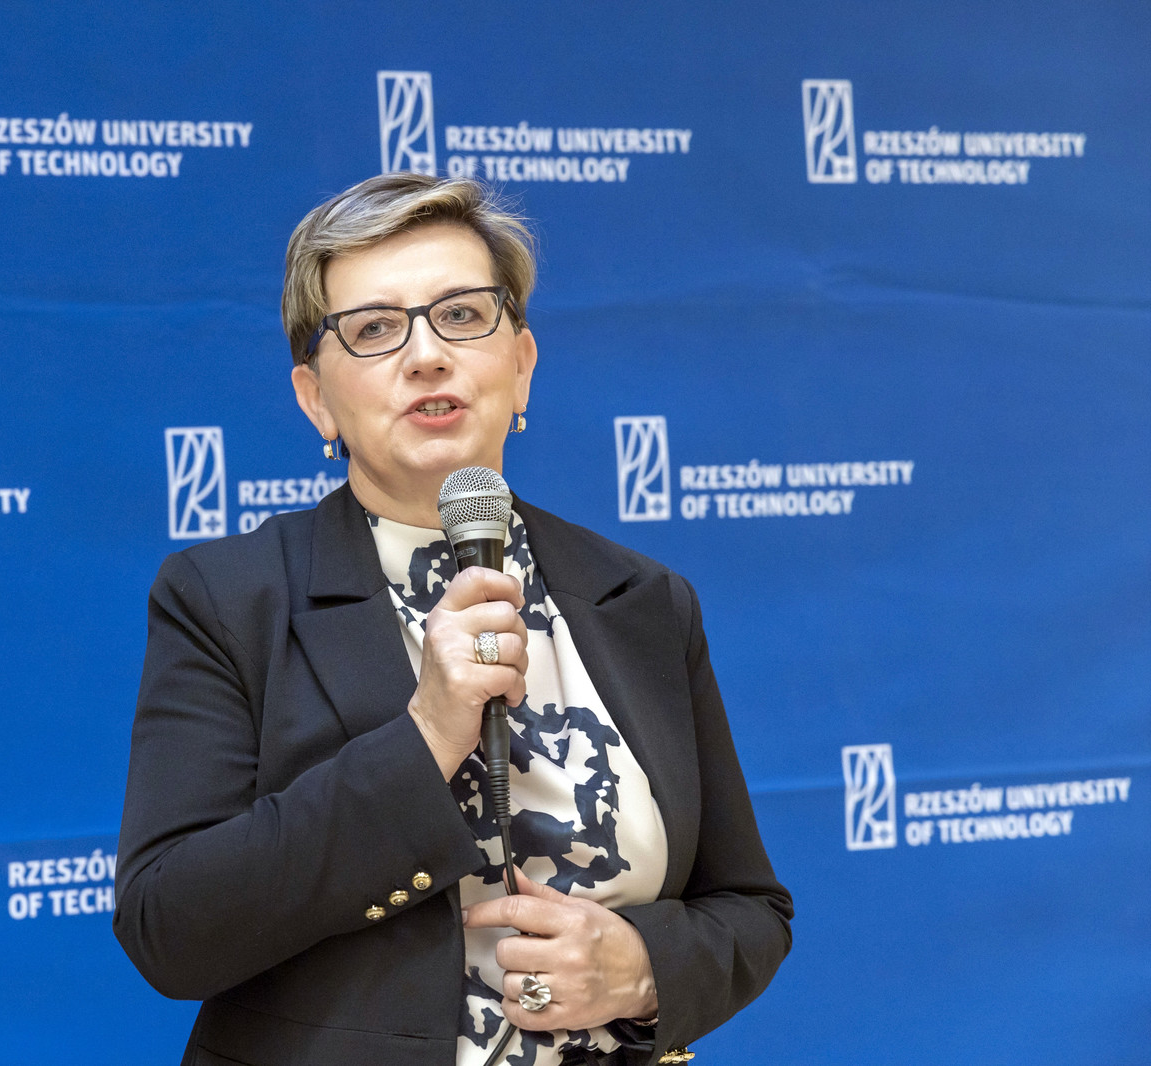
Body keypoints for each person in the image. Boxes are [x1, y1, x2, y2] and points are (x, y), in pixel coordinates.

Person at [115, 172, 792, 1066]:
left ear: (521, 364)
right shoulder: (229, 599)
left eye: (463, 315)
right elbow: (170, 929)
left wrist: (641, 970)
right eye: (374, 329)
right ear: (316, 399)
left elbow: (750, 909)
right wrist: (427, 735)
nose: (427, 355)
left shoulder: (642, 600)